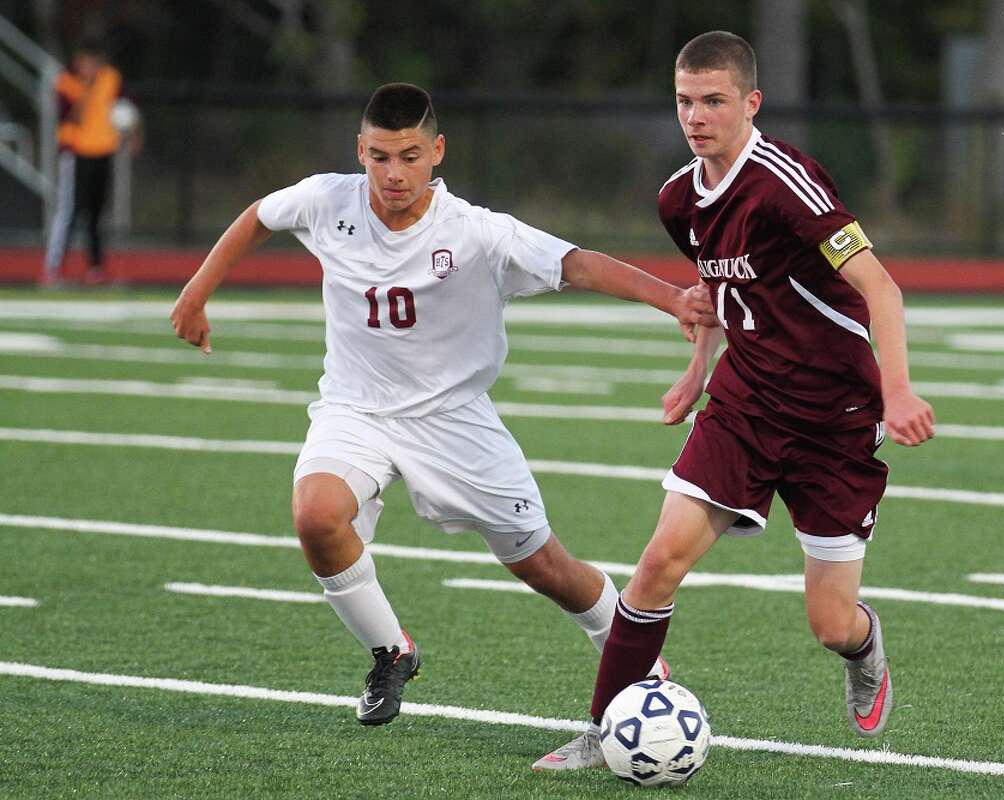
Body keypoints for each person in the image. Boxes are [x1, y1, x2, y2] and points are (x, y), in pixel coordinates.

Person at [170, 83, 716, 727]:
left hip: (455, 422)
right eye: (378, 157)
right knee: (316, 514)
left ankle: (636, 662)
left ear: (437, 152)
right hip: (356, 411)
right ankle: (391, 651)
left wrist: (674, 299)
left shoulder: (478, 233)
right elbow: (261, 214)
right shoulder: (327, 200)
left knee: (545, 566)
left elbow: (580, 265)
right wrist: (196, 292)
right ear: (360, 151)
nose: (393, 173)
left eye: (408, 156)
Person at [534, 31, 934, 771]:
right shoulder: (678, 199)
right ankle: (604, 725)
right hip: (745, 404)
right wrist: (697, 370)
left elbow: (881, 286)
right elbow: (722, 288)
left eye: (714, 100)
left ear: (751, 102)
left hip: (835, 417)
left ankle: (863, 643)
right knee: (657, 565)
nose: (697, 116)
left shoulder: (786, 180)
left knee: (828, 621)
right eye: (685, 101)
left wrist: (898, 388)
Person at [40, 40, 133, 287]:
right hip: (76, 152)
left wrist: (131, 134)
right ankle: (54, 268)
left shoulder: (111, 78)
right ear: (79, 61)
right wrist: (87, 90)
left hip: (103, 151)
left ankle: (96, 269)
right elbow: (71, 117)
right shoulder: (67, 82)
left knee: (96, 214)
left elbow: (124, 110)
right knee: (69, 210)